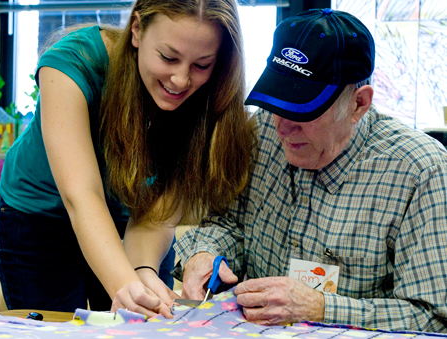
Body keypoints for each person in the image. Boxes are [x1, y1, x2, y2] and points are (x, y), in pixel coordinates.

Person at [172, 8, 447, 333]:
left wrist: (320, 308)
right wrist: (206, 254)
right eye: (276, 104)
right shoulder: (261, 134)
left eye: (304, 110)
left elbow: (433, 317)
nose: (283, 128)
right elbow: (228, 223)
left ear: (358, 103)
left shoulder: (420, 172)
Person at [0, 0, 251, 317]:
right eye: (168, 57)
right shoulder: (71, 61)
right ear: (136, 31)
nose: (181, 81)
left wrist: (142, 271)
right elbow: (82, 197)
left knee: (144, 317)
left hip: (130, 209)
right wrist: (124, 283)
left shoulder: (211, 92)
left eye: (201, 65)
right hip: (42, 215)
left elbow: (157, 213)